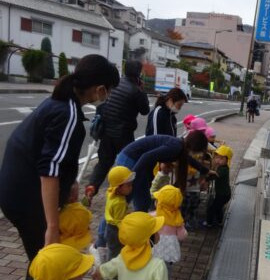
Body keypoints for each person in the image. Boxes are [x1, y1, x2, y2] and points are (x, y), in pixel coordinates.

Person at [0, 55, 119, 280]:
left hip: (15, 191)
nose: (109, 96)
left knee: (40, 261)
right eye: (110, 91)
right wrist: (52, 225)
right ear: (100, 89)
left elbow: (53, 159)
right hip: (27, 197)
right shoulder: (67, 113)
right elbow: (49, 170)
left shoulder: (59, 104)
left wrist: (73, 182)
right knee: (49, 262)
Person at [86, 60, 150, 202]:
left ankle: (92, 187)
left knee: (103, 163)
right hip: (124, 135)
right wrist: (142, 90)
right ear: (138, 73)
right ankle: (121, 199)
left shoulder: (114, 84)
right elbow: (145, 110)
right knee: (127, 167)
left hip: (107, 132)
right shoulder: (135, 90)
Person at [114, 132, 214, 212]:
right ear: (195, 147)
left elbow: (188, 159)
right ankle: (105, 233)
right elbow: (146, 157)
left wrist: (206, 170)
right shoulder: (176, 147)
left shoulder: (180, 147)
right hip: (130, 159)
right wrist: (132, 177)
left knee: (143, 201)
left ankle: (141, 227)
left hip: (138, 162)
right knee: (122, 202)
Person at [152, 185, 188, 273]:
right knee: (166, 269)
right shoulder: (177, 219)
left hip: (154, 246)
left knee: (152, 266)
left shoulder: (152, 216)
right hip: (169, 248)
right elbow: (182, 236)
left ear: (159, 203)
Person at [105, 166, 135, 260]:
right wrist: (127, 234)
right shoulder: (120, 202)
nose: (131, 187)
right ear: (118, 187)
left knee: (112, 250)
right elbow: (119, 222)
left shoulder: (111, 193)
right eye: (128, 185)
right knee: (116, 253)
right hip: (115, 231)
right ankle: (112, 272)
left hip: (109, 227)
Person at [205, 145, 233, 227]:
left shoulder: (224, 169)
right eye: (217, 157)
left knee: (211, 208)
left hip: (223, 195)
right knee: (218, 208)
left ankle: (209, 223)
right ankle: (219, 221)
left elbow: (215, 176)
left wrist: (206, 177)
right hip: (222, 194)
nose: (218, 160)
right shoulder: (221, 167)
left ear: (227, 160)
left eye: (221, 159)